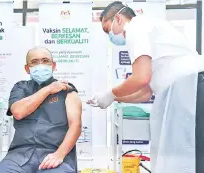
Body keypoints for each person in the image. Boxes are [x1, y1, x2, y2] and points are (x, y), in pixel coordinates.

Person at [87, 1, 204, 173]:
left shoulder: (136, 28)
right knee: (191, 154)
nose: (110, 36)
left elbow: (141, 78)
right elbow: (145, 93)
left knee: (192, 154)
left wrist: (110, 93)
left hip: (192, 89)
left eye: (107, 30)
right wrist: (113, 98)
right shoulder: (149, 28)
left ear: (118, 19)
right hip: (189, 89)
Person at [0, 47, 82, 173]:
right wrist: (48, 89)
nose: (40, 65)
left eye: (45, 61)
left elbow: (75, 126)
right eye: (34, 62)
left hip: (54, 155)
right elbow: (18, 112)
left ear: (53, 65)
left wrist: (59, 155)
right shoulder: (20, 88)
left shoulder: (67, 90)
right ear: (27, 68)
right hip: (18, 157)